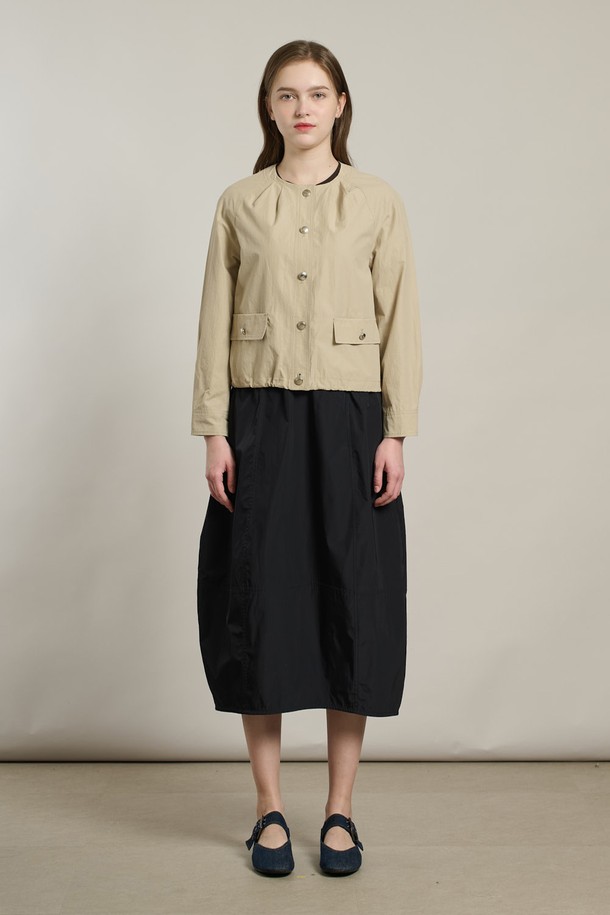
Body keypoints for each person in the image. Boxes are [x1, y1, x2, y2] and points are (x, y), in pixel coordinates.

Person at [191, 39, 422, 877]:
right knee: (259, 599)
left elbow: (400, 320)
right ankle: (267, 808)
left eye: (317, 93)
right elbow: (213, 321)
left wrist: (396, 430)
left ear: (341, 104)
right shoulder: (239, 203)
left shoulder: (377, 201)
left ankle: (340, 810)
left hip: (352, 417)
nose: (302, 108)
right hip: (259, 415)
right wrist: (214, 431)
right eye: (286, 95)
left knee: (350, 602)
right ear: (269, 107)